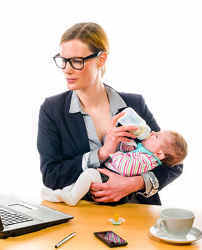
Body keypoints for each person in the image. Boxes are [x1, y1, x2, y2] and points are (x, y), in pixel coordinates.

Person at [37, 22, 183, 205]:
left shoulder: (134, 104)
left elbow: (173, 163)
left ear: (101, 59)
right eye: (63, 60)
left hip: (136, 212)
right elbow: (51, 176)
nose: (67, 69)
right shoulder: (52, 110)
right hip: (84, 213)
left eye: (76, 61)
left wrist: (133, 183)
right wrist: (101, 153)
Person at [41, 129, 187, 206]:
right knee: (79, 180)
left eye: (157, 136)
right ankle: (62, 195)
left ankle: (71, 198)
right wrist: (126, 145)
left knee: (89, 174)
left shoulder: (148, 160)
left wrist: (110, 153)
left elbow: (126, 167)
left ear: (160, 153)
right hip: (105, 177)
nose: (153, 132)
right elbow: (129, 152)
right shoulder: (146, 150)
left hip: (110, 179)